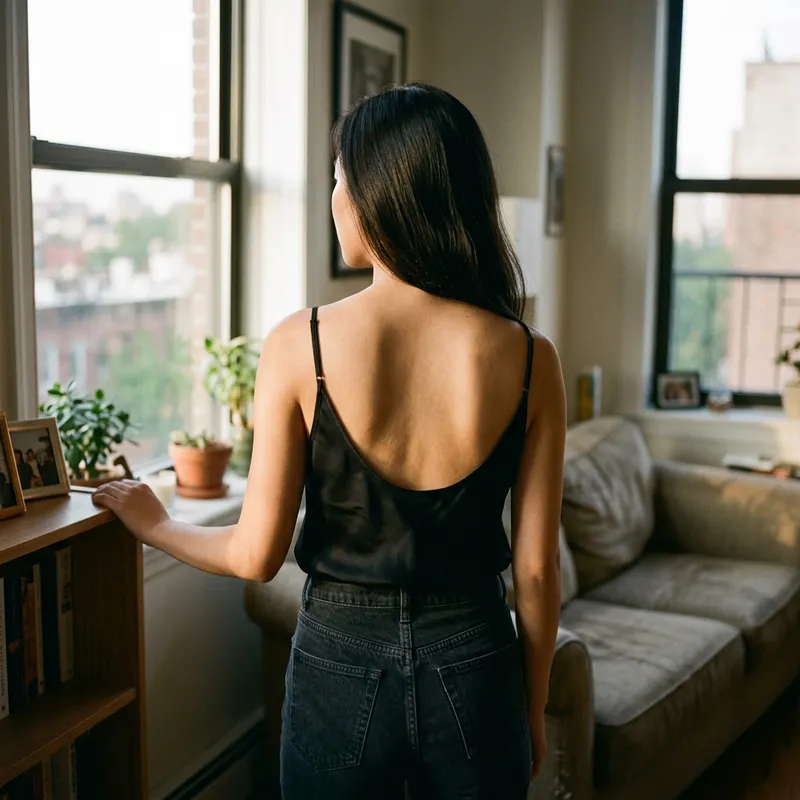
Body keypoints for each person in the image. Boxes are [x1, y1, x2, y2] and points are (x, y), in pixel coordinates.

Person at [93, 83, 565, 799]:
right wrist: (529, 708)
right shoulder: (531, 357)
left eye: (339, 179)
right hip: (476, 658)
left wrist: (154, 523)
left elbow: (256, 554)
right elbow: (534, 577)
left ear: (380, 194)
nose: (334, 197)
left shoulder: (299, 343)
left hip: (339, 656)